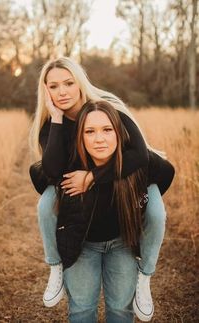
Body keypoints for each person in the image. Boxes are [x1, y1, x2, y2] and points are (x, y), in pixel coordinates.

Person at [29, 57, 175, 321]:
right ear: (46, 91)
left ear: (80, 83)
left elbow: (140, 154)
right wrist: (58, 117)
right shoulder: (53, 126)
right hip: (85, 216)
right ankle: (56, 266)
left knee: (155, 213)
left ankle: (146, 275)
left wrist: (93, 177)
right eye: (53, 86)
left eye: (68, 83)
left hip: (137, 170)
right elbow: (52, 172)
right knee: (46, 204)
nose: (62, 91)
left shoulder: (109, 109)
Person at [53, 100, 173, 322]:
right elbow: (37, 172)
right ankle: (54, 269)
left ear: (119, 132)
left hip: (122, 245)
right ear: (80, 136)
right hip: (82, 246)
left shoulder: (138, 162)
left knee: (120, 309)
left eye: (108, 129)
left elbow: (167, 173)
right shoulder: (70, 164)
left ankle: (144, 278)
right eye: (90, 131)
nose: (99, 139)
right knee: (81, 309)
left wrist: (145, 198)